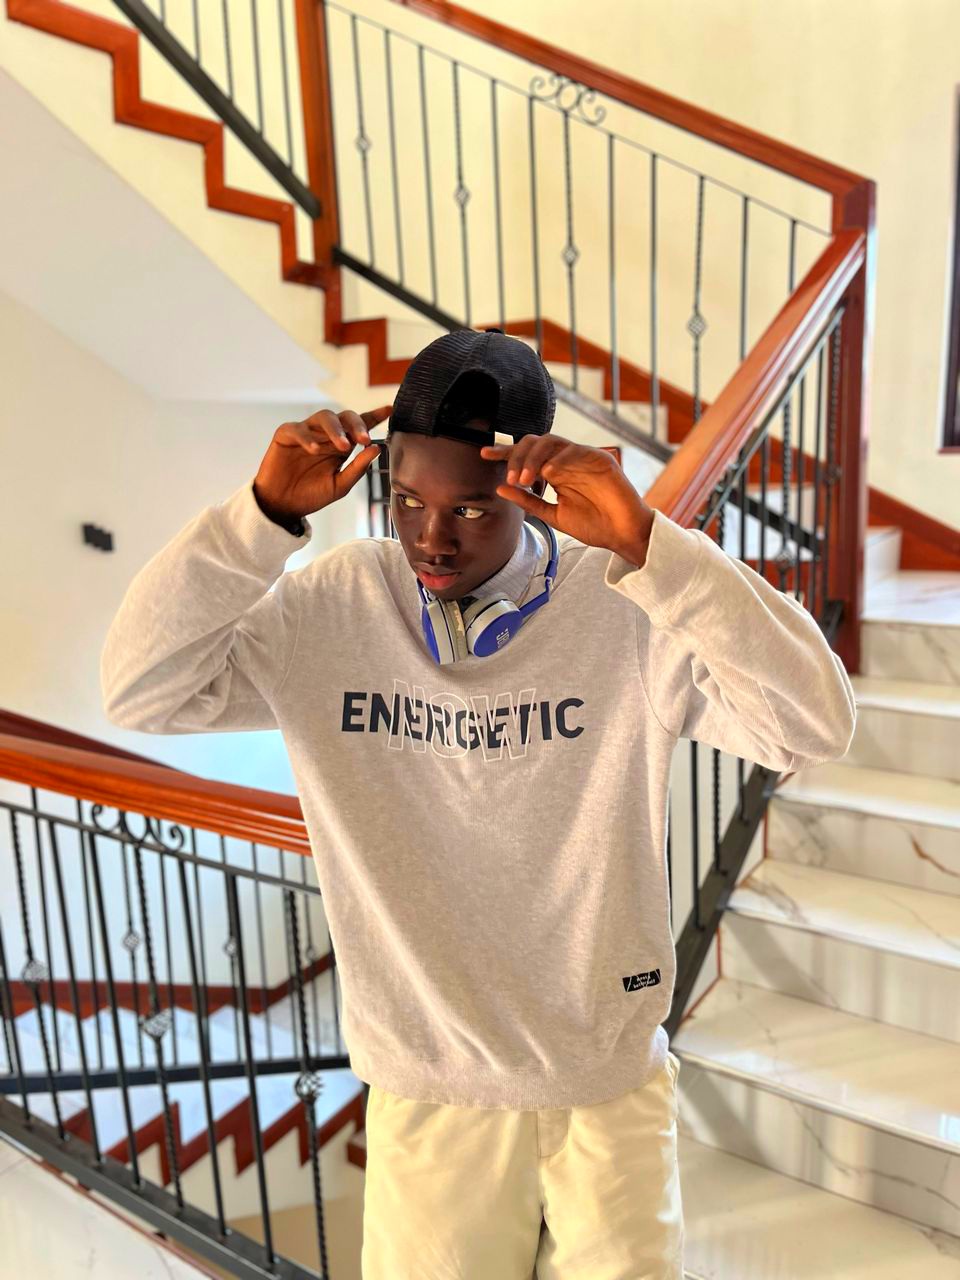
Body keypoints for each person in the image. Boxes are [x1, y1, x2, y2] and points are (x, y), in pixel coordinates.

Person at [101, 327, 857, 1279]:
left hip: (605, 1083)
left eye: (468, 508)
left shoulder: (622, 604)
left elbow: (813, 726)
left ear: (527, 491)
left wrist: (648, 544)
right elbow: (141, 692)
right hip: (431, 1087)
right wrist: (258, 519)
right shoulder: (332, 606)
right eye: (407, 501)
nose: (432, 536)